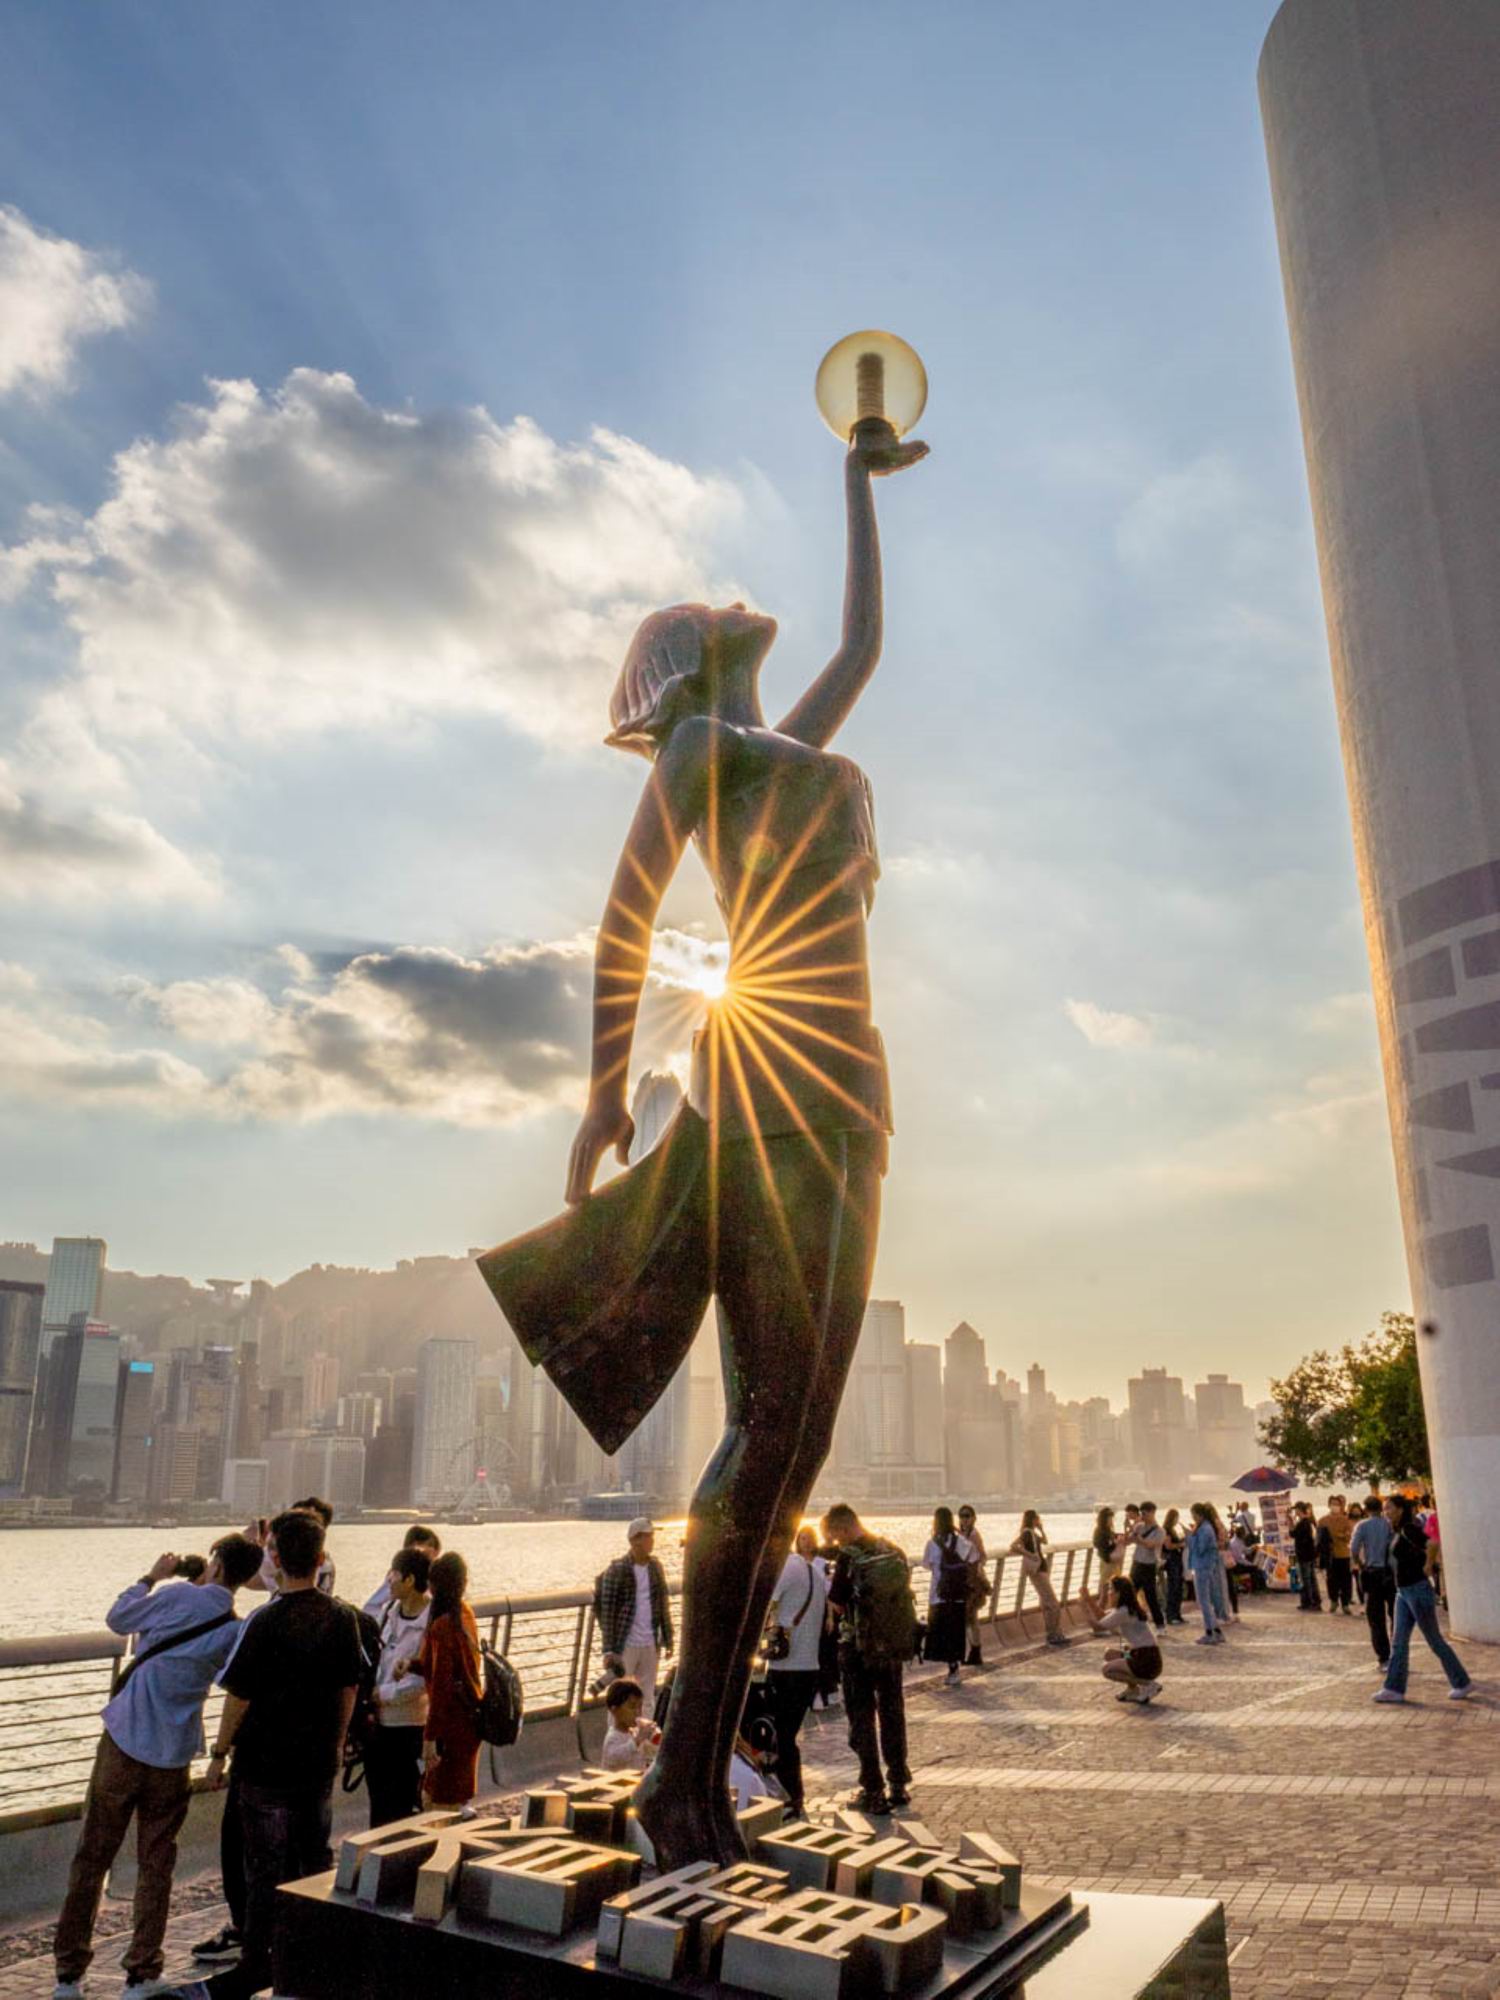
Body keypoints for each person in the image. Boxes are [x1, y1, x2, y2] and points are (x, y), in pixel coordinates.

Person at [480, 417, 926, 1871]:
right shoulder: (700, 754)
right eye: (712, 611)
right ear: (689, 661)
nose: (739, 601)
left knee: (794, 1442)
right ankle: (685, 1781)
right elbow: (626, 921)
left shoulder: (782, 744)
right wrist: (605, 1091)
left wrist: (855, 488)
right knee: (766, 1431)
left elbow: (863, 640)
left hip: (849, 1088)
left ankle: (698, 1773)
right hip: (766, 1090)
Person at [52, 1535, 263, 2000]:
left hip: (124, 1742)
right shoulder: (235, 1629)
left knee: (92, 1857)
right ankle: (142, 1974)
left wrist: (153, 1576)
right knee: (156, 1866)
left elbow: (119, 1618)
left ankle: (68, 1976)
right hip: (173, 1755)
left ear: (216, 1562)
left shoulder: (176, 1595)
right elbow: (238, 1681)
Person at [169, 1510, 362, 2000]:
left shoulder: (264, 1621)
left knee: (263, 1871)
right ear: (320, 1559)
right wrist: (337, 1743)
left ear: (275, 1559)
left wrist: (218, 1752)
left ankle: (258, 1964)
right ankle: (307, 1963)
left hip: (263, 1768)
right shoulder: (341, 1618)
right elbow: (348, 1687)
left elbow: (240, 1695)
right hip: (316, 1765)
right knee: (311, 1863)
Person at [822, 1504, 914, 1815]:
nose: (835, 1542)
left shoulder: (849, 1558)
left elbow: (836, 1604)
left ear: (843, 1529)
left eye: (834, 1536)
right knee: (892, 1712)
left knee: (861, 1718)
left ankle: (872, 1789)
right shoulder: (892, 1550)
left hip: (858, 1649)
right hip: (891, 1646)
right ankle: (899, 1782)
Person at [1374, 1495, 1472, 1705]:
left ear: (1400, 1509)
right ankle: (1394, 1688)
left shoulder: (1410, 1528)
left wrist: (1428, 1566)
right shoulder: (1397, 1531)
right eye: (1384, 1509)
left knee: (1434, 1640)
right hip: (1402, 1592)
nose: (1386, 1512)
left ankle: (1461, 1682)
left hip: (1417, 1589)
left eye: (1389, 1508)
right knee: (1398, 1642)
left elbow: (1432, 1543)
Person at [404, 1551, 483, 1808]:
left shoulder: (441, 1627)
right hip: (470, 1721)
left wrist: (429, 1740)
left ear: (432, 1585)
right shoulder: (466, 1615)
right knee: (458, 1799)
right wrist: (413, 1666)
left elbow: (441, 1689)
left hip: (449, 1730)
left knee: (435, 1803)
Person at [765, 1526, 828, 1816]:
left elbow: (766, 1605)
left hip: (786, 1668)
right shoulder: (813, 1572)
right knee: (787, 1732)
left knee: (783, 1735)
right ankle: (789, 1794)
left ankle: (791, 1796)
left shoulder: (787, 1568)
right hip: (809, 1666)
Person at [366, 1547, 432, 1826]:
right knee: (378, 1801)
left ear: (409, 1580)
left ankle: (398, 1864)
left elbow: (421, 1681)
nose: (388, 1581)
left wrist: (381, 1694)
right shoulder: (389, 1612)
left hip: (409, 1726)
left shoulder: (430, 1621)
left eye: (393, 1575)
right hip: (378, 1724)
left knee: (402, 1803)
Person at [595, 1518, 674, 1713]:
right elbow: (608, 1612)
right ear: (635, 1540)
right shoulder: (617, 1570)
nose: (652, 1540)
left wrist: (668, 1638)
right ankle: (617, 1740)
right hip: (625, 1644)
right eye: (648, 1536)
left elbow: (663, 1605)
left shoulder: (656, 1567)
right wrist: (609, 1650)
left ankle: (643, 1740)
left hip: (650, 1642)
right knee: (620, 1696)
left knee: (647, 1696)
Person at [1082, 1574, 1164, 1705]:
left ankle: (1148, 1684)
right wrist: (1088, 1600)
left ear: (1119, 1593)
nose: (1109, 1594)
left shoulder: (1124, 1612)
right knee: (1109, 1654)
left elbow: (1098, 1627)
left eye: (1111, 1590)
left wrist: (1084, 1608)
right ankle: (1132, 1690)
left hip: (1146, 1660)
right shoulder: (1125, 1609)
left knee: (1107, 1670)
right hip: (1146, 1656)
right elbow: (1103, 1617)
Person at [922, 1506, 975, 1686]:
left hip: (939, 1595)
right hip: (958, 1594)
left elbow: (926, 1564)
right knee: (955, 1632)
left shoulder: (932, 1543)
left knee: (941, 1633)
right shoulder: (960, 1540)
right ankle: (955, 1669)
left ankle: (949, 1667)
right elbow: (973, 1557)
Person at [1011, 1510, 1069, 1646]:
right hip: (1038, 1570)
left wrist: (1041, 1529)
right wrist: (1030, 1555)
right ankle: (1053, 1634)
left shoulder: (1032, 1532)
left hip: (1041, 1569)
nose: (1039, 1521)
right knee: (1053, 1603)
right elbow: (1013, 1546)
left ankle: (1054, 1633)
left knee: (1048, 1603)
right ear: (1033, 1519)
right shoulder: (1026, 1532)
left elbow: (1045, 1541)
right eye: (1037, 1519)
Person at [1351, 1494, 1395, 1671]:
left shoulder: (1362, 1525)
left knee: (1375, 1618)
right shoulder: (1389, 1524)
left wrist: (1361, 1564)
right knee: (1395, 1614)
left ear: (1366, 1508)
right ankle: (1397, 1654)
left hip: (1371, 1573)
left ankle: (1383, 1657)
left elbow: (1354, 1549)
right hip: (1390, 1573)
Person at [362, 1525, 441, 1616]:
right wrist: (390, 1620)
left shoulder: (434, 1578)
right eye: (429, 1545)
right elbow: (370, 1608)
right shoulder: (397, 1576)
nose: (433, 1552)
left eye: (435, 1548)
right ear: (414, 1545)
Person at [599, 1677, 661, 1774]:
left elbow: (649, 1755)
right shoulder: (613, 1737)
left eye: (640, 1707)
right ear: (614, 1710)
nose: (637, 1712)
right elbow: (615, 1758)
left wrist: (654, 1740)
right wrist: (636, 1741)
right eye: (632, 1707)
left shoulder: (635, 1732)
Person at [1185, 1503, 1225, 1645]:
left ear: (1199, 1515)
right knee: (1206, 1601)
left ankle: (1210, 1633)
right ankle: (1217, 1631)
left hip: (1202, 1566)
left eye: (1194, 1515)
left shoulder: (1205, 1529)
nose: (1193, 1518)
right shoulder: (1206, 1527)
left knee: (1203, 1602)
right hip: (1205, 1566)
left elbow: (1200, 1548)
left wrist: (1190, 1536)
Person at [957, 1505, 989, 1665]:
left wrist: (978, 1568)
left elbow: (983, 1556)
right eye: (962, 1516)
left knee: (971, 1617)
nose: (964, 1519)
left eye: (967, 1516)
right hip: (963, 1580)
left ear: (974, 1518)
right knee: (968, 1617)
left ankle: (975, 1651)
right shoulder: (960, 1533)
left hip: (972, 1581)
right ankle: (974, 1651)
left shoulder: (975, 1535)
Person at [1128, 1501, 1166, 1631]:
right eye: (1141, 1513)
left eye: (1144, 1513)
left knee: (1151, 1597)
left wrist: (1138, 1539)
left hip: (1149, 1566)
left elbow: (1151, 1545)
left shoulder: (1160, 1531)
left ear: (1152, 1512)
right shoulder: (1138, 1527)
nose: (1142, 1516)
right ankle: (1135, 1622)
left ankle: (1160, 1625)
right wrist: (1128, 1529)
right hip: (1136, 1564)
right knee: (1130, 1594)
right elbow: (1129, 1540)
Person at [1319, 1495, 1355, 1614]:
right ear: (1329, 1505)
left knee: (1346, 1580)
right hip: (1330, 1555)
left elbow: (1350, 1535)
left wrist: (1343, 1536)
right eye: (1333, 1503)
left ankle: (1345, 1603)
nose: (1335, 1506)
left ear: (1341, 1506)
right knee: (1331, 1580)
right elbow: (1319, 1539)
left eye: (1337, 1504)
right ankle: (1333, 1601)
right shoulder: (1323, 1520)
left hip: (1344, 1554)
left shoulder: (1345, 1520)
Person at [1292, 1501, 1322, 1611]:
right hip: (1309, 1554)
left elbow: (1293, 1534)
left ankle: (1308, 1602)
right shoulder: (1308, 1522)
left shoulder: (1303, 1523)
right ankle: (1315, 1601)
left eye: (1296, 1510)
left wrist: (1290, 1521)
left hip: (1303, 1555)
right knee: (1311, 1579)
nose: (1295, 1512)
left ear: (1299, 1510)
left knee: (1306, 1579)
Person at [1161, 1508, 1187, 1626]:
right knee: (1173, 1588)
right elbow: (1168, 1546)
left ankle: (1177, 1614)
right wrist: (1181, 1543)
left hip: (1177, 1560)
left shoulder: (1172, 1530)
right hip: (1172, 1562)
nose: (1178, 1520)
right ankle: (1171, 1615)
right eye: (1177, 1517)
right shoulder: (1166, 1530)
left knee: (1178, 1588)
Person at [1092, 1508, 1123, 1597]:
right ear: (1104, 1519)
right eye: (1110, 1518)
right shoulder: (1100, 1531)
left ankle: (1108, 1606)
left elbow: (1115, 1537)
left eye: (1112, 1518)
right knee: (1105, 1586)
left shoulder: (1108, 1530)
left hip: (1113, 1562)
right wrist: (1114, 1544)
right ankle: (1101, 1605)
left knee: (1113, 1586)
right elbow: (1101, 1546)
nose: (1111, 1520)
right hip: (1107, 1561)